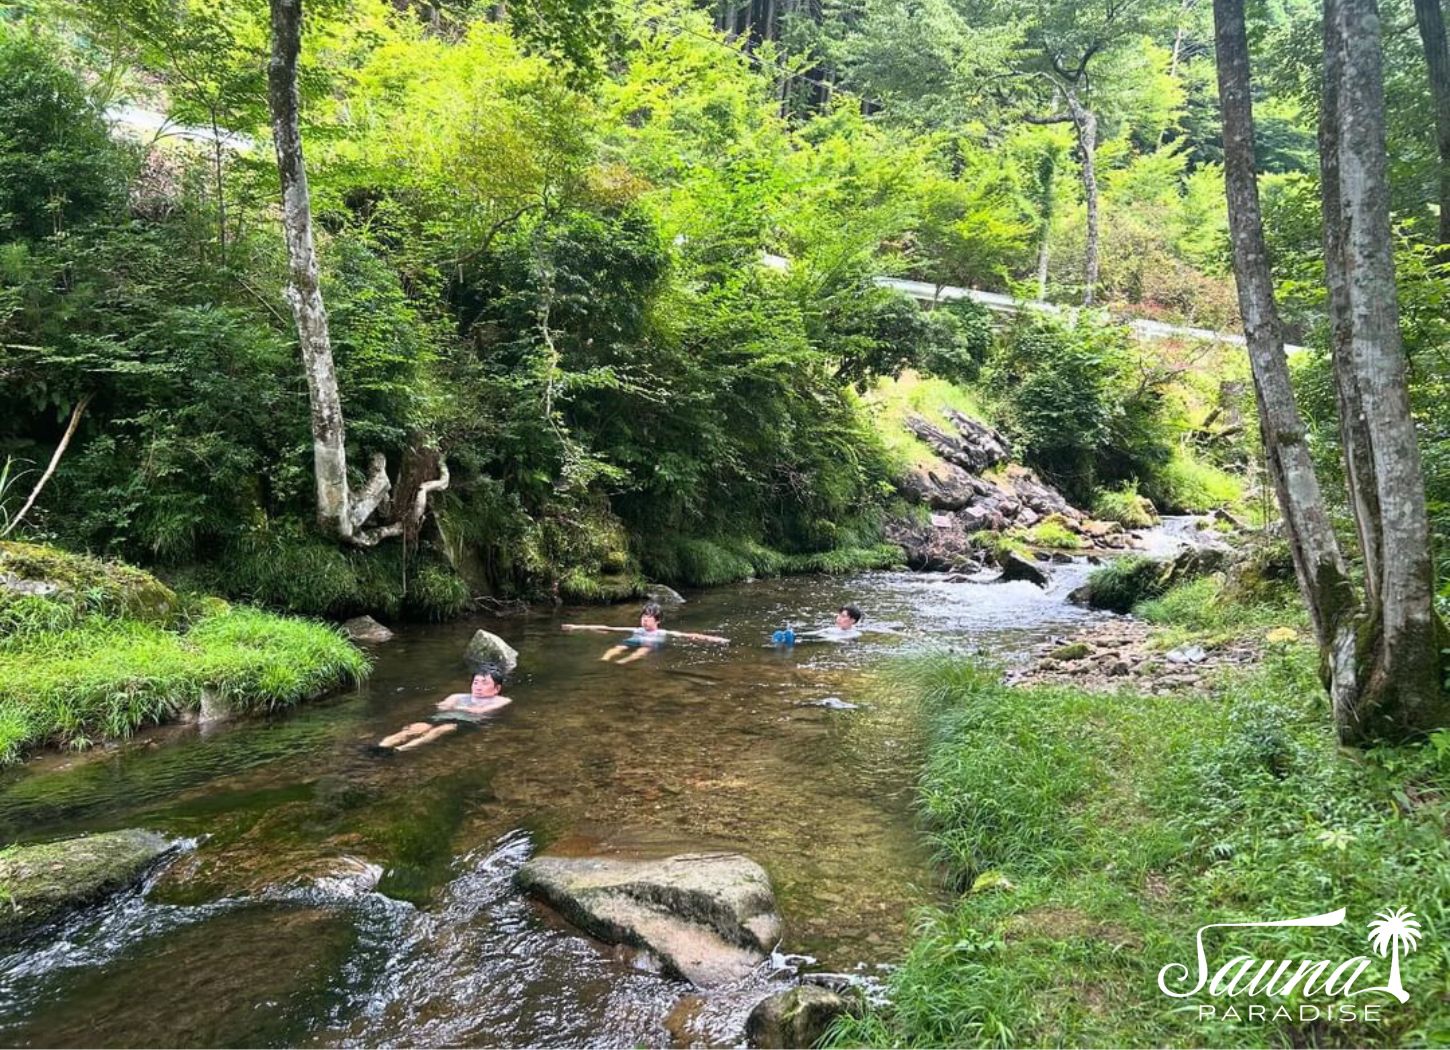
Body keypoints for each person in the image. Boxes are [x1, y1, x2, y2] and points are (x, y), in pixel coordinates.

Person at [376, 666, 512, 752]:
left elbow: (481, 712)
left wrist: (457, 708)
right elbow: (442, 706)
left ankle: (402, 749)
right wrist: (458, 707)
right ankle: (381, 746)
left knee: (442, 729)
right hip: (443, 717)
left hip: (466, 722)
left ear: (497, 688)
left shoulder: (501, 700)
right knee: (416, 728)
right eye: (476, 682)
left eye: (484, 683)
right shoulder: (458, 696)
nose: (478, 686)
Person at [562, 602, 729, 663]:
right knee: (618, 646)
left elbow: (689, 635)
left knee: (645, 648)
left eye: (649, 618)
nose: (645, 620)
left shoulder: (663, 632)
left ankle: (626, 660)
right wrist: (576, 627)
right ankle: (605, 659)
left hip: (650, 643)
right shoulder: (637, 629)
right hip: (635, 639)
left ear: (657, 620)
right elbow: (609, 628)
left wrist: (715, 639)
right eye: (643, 616)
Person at [773, 605, 863, 644]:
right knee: (813, 634)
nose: (839, 618)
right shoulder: (831, 629)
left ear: (852, 620)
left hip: (829, 639)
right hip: (828, 635)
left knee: (816, 640)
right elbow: (815, 632)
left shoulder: (855, 634)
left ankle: (792, 639)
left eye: (843, 616)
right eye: (839, 615)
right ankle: (791, 636)